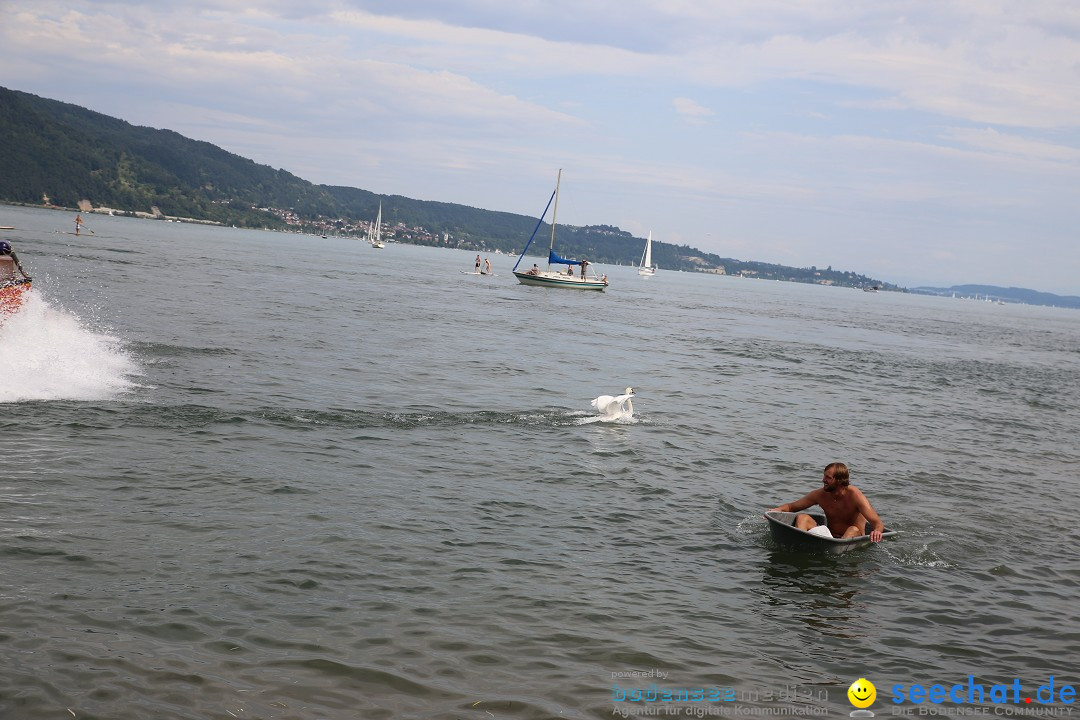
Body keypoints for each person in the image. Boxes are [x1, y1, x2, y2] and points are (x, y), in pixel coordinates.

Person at [767, 462, 884, 542]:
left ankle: (838, 553)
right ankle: (802, 544)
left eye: (828, 478)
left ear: (839, 480)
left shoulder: (855, 496)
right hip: (830, 538)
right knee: (802, 517)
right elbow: (792, 507)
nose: (823, 480)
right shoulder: (821, 494)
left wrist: (877, 532)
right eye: (824, 476)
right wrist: (777, 510)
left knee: (852, 529)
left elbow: (878, 524)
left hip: (853, 538)